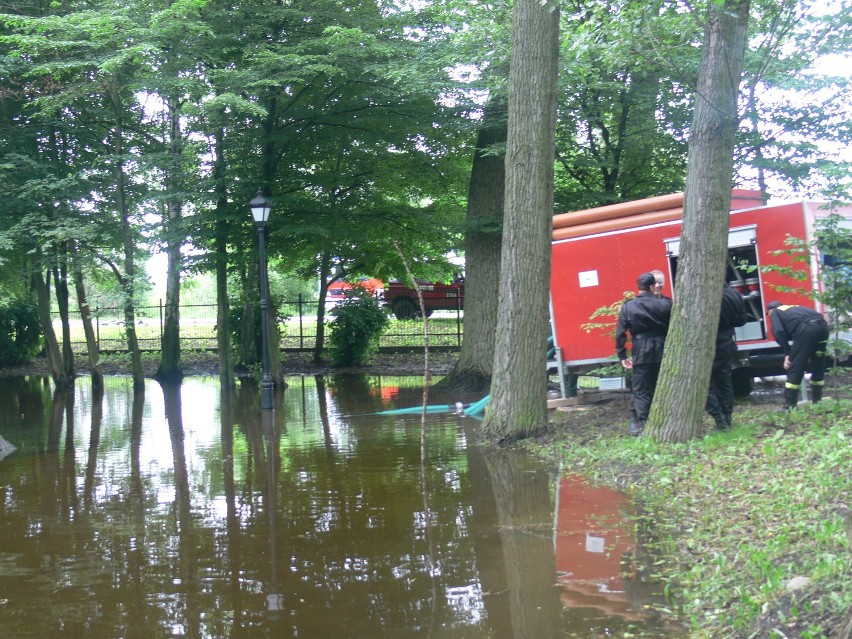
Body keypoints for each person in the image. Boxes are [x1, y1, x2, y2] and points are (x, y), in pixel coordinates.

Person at [615, 273, 672, 436]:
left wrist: (622, 356)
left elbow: (620, 333)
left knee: (641, 389)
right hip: (663, 348)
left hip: (641, 350)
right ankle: (658, 420)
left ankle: (644, 423)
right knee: (661, 385)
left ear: (639, 287)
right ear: (652, 286)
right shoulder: (665, 304)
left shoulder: (629, 306)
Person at [767, 301, 830, 410]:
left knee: (796, 365)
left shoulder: (775, 312)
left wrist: (787, 352)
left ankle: (790, 406)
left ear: (770, 311)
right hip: (823, 327)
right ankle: (817, 402)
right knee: (818, 364)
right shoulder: (796, 307)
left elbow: (778, 332)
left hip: (807, 329)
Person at [706, 282, 747, 430]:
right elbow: (742, 320)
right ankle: (727, 417)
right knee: (725, 381)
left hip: (708, 343)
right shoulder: (734, 294)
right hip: (727, 341)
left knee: (706, 383)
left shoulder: (705, 295)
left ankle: (719, 418)